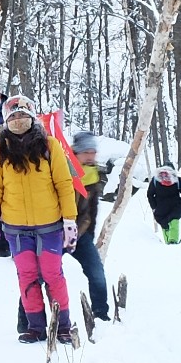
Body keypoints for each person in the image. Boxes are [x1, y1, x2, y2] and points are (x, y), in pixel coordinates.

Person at [0, 95, 79, 345]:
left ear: (32, 118)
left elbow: (64, 184)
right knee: (26, 276)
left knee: (52, 274)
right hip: (15, 229)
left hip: (50, 226)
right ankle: (35, 327)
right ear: (6, 121)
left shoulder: (50, 146)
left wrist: (70, 220)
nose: (18, 120)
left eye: (23, 115)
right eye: (13, 116)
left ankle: (62, 325)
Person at [68, 132, 111, 324]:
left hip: (82, 234)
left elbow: (92, 209)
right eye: (86, 151)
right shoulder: (61, 169)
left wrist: (90, 234)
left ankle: (101, 316)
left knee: (97, 274)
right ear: (75, 152)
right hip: (56, 233)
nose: (90, 156)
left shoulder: (93, 174)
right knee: (40, 277)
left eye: (93, 151)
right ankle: (27, 320)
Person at [147, 165, 181, 243]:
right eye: (163, 173)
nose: (165, 176)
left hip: (175, 207)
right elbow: (150, 195)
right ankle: (168, 246)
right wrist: (154, 207)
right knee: (165, 226)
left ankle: (173, 241)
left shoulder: (177, 180)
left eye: (167, 173)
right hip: (160, 209)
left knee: (174, 221)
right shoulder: (155, 181)